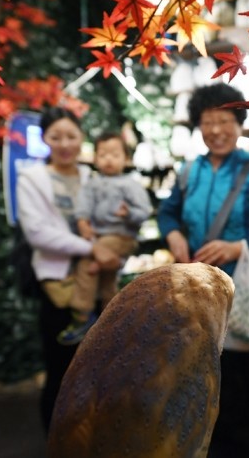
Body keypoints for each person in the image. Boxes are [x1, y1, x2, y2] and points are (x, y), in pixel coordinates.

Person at [157, 82, 249, 458]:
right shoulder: (188, 173)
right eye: (208, 121)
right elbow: (168, 212)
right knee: (211, 385)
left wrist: (238, 247)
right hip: (202, 299)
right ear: (198, 125)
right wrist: (173, 235)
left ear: (238, 123)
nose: (216, 130)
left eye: (225, 120)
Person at [16, 106, 121, 433]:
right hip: (59, 285)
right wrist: (91, 247)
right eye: (55, 137)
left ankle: (90, 441)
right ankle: (57, 442)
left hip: (96, 278)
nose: (64, 144)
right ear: (45, 139)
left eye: (71, 136)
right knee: (61, 367)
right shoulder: (32, 179)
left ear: (82, 138)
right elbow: (38, 233)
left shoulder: (92, 176)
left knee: (98, 367)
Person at [56, 132, 152, 345]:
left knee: (87, 264)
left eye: (115, 154)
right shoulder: (92, 183)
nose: (108, 159)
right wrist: (82, 223)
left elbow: (144, 211)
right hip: (99, 237)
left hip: (121, 236)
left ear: (126, 158)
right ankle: (111, 320)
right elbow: (82, 207)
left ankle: (82, 314)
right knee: (108, 282)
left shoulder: (130, 184)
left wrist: (129, 214)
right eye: (103, 154)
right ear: (95, 158)